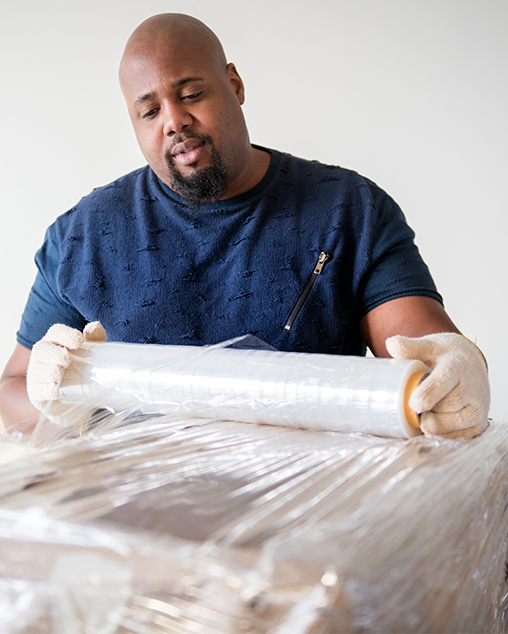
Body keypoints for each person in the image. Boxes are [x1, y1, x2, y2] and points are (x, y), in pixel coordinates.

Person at [0, 13, 489, 437]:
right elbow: (10, 395)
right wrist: (56, 399)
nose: (174, 122)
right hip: (133, 528)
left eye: (190, 93)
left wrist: (455, 371)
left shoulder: (350, 211)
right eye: (149, 111)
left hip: (307, 521)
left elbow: (423, 358)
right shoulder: (82, 237)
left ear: (234, 84)